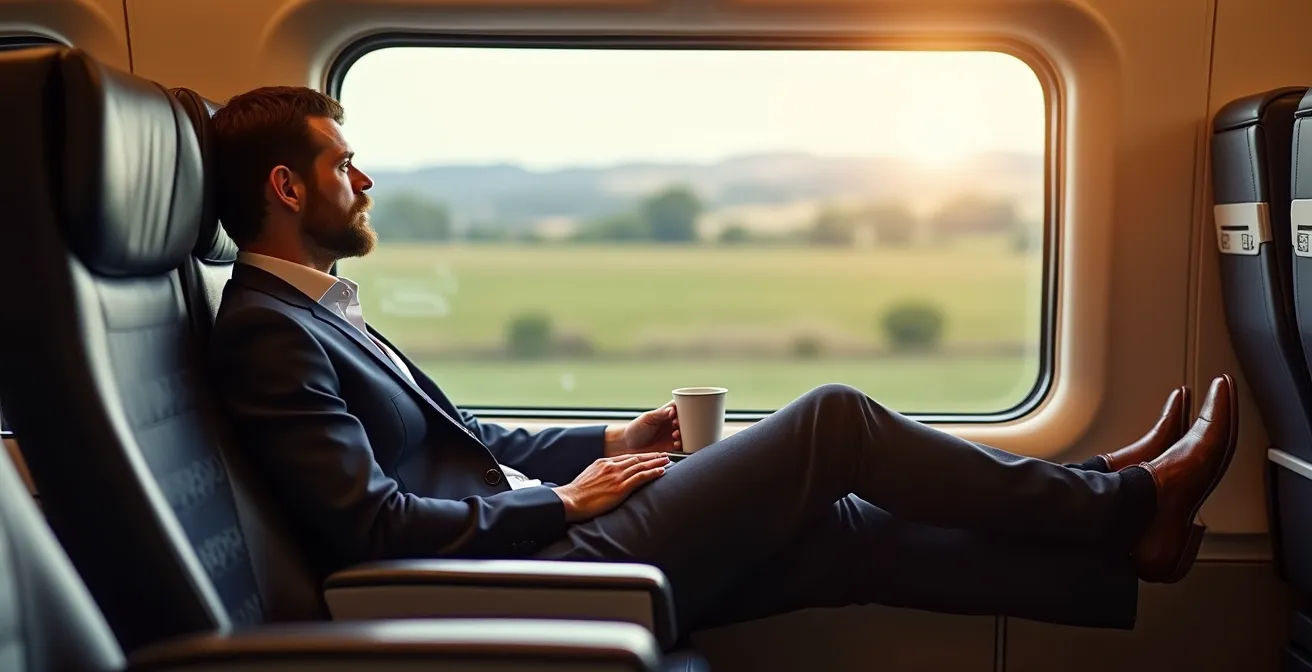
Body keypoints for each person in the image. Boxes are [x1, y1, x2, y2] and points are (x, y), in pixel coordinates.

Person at [206, 86, 1239, 638]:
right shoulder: (266, 329)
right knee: (835, 421)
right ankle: (1118, 503)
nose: (366, 178)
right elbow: (367, 525)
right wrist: (563, 506)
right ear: (289, 189)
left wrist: (609, 441)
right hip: (516, 571)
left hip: (534, 537)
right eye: (344, 162)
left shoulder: (318, 311)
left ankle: (1120, 535)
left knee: (842, 535)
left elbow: (470, 443)